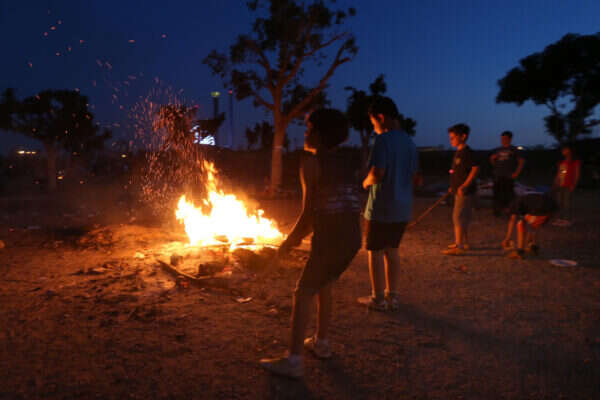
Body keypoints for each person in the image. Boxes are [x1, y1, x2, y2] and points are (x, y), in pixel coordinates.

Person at [260, 108, 361, 378]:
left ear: (319, 134)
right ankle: (321, 342)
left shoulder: (311, 164)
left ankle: (293, 360)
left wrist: (287, 244)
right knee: (324, 284)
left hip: (330, 238)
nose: (305, 134)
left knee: (303, 292)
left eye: (308, 129)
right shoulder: (348, 161)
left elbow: (308, 215)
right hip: (352, 237)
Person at [357, 96, 418, 311]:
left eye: (373, 122)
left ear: (381, 117)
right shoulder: (410, 142)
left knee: (374, 251)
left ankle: (377, 299)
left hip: (381, 208)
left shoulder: (383, 140)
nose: (373, 127)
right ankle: (393, 297)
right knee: (392, 251)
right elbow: (415, 177)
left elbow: (377, 173)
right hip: (402, 208)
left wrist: (365, 183)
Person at [443, 123, 479, 255]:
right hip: (457, 189)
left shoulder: (467, 153)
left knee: (458, 217)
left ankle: (459, 246)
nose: (451, 140)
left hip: (464, 191)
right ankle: (463, 242)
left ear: (463, 136)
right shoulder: (458, 152)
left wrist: (464, 185)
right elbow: (457, 172)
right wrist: (452, 186)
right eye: (450, 137)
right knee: (462, 216)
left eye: (453, 137)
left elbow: (475, 169)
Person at [502, 192, 558, 259]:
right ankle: (533, 246)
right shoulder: (520, 200)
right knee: (533, 224)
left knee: (520, 224)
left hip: (542, 208)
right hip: (550, 207)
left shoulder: (515, 205)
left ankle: (519, 252)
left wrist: (507, 238)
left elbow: (513, 220)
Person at [489, 131, 525, 216]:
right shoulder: (497, 150)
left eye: (505, 138)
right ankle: (497, 212)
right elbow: (493, 162)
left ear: (510, 139)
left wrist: (516, 173)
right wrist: (492, 159)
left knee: (508, 194)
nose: (503, 140)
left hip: (509, 175)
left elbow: (521, 162)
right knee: (497, 193)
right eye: (502, 138)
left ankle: (509, 212)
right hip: (498, 175)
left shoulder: (514, 150)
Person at [552, 144, 581, 226]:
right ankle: (560, 219)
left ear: (569, 150)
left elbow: (577, 173)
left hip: (568, 184)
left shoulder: (575, 161)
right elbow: (559, 172)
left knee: (567, 203)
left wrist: (574, 184)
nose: (563, 151)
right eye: (563, 150)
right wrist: (555, 182)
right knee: (559, 202)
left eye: (565, 149)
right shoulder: (561, 161)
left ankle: (567, 219)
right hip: (560, 184)